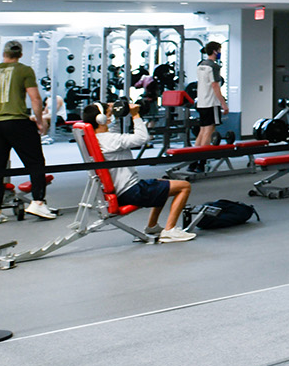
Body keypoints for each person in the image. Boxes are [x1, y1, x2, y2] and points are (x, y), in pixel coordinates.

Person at [82, 101, 195, 242]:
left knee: (163, 184)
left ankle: (152, 226)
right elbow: (142, 138)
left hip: (121, 190)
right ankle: (170, 230)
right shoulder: (110, 140)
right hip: (131, 192)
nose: (111, 118)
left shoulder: (98, 138)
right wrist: (135, 115)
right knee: (184, 186)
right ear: (101, 119)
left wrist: (115, 113)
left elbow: (112, 132)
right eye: (109, 115)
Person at [0, 40, 54, 225]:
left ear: (4, 54)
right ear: (20, 55)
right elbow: (35, 98)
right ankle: (38, 202)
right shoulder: (24, 70)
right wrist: (40, 122)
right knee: (35, 162)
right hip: (17, 122)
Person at [192, 41, 227, 172]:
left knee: (202, 131)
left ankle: (194, 161)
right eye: (219, 50)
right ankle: (201, 163)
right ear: (215, 51)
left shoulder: (200, 65)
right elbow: (215, 86)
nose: (220, 53)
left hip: (201, 103)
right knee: (208, 131)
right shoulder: (214, 67)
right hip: (211, 103)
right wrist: (223, 103)